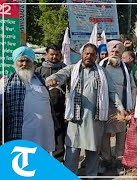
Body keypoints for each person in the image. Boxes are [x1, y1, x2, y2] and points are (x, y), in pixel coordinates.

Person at [46, 43, 127, 176]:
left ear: (96, 57)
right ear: (82, 54)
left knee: (94, 151)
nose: (89, 56)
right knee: (72, 151)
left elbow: (113, 91)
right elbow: (59, 76)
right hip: (75, 118)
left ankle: (91, 176)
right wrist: (52, 79)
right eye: (86, 53)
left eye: (92, 54)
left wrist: (120, 108)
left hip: (95, 119)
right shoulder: (72, 69)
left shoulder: (102, 73)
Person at [4, 46, 59, 152]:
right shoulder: (6, 83)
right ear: (15, 62)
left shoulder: (41, 80)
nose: (24, 64)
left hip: (43, 136)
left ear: (33, 63)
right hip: (19, 136)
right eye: (21, 61)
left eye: (27, 61)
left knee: (41, 165)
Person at [100, 40, 137, 174]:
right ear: (108, 53)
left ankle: (118, 161)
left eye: (117, 52)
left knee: (121, 135)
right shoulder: (101, 66)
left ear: (121, 54)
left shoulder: (126, 69)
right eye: (112, 52)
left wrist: (131, 105)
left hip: (122, 107)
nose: (114, 54)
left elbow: (132, 88)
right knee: (104, 135)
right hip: (105, 106)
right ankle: (105, 159)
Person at [35, 45, 66, 161]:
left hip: (60, 110)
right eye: (51, 54)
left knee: (59, 136)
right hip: (43, 110)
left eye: (57, 54)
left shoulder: (65, 69)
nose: (54, 57)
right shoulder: (38, 71)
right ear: (46, 55)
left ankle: (58, 161)